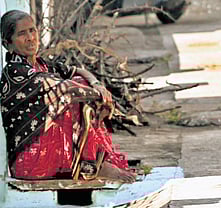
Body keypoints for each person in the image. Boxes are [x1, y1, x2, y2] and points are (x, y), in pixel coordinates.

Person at [0, 10, 136, 182]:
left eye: (32, 30)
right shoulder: (16, 71)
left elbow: (78, 71)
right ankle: (91, 165)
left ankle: (92, 162)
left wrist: (97, 85)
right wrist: (101, 98)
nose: (30, 38)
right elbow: (67, 89)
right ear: (7, 44)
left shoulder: (41, 65)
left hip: (47, 153)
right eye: (21, 34)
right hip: (29, 161)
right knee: (74, 96)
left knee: (81, 82)